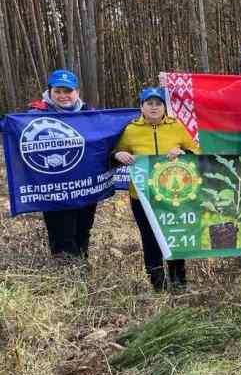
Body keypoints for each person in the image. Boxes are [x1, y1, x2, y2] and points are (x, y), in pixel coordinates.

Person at [113, 87, 201, 290]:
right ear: (141, 107)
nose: (154, 107)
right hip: (142, 196)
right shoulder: (131, 130)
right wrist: (117, 156)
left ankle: (179, 283)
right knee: (150, 239)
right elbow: (117, 152)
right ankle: (157, 286)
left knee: (174, 237)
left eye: (158, 103)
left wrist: (182, 151)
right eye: (149, 103)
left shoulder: (176, 126)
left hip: (173, 194)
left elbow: (196, 152)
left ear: (164, 107)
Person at [28, 69, 97, 260]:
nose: (63, 96)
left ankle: (81, 273)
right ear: (49, 91)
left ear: (76, 92)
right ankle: (66, 280)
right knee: (61, 235)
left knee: (83, 230)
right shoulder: (35, 115)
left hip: (84, 186)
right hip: (54, 186)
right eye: (58, 91)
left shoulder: (89, 114)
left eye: (68, 91)